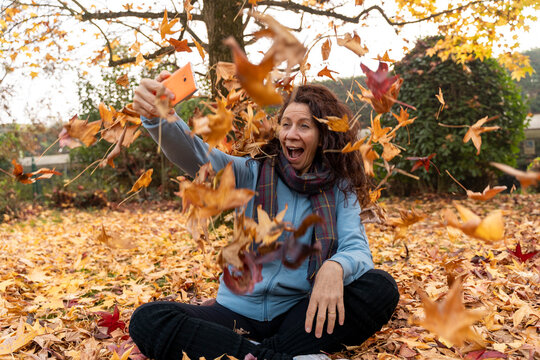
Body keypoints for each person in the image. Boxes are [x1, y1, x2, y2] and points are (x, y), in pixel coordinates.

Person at [129, 71, 400, 360]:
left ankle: (253, 354)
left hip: (298, 315)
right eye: (285, 124)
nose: (290, 134)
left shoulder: (339, 188)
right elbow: (196, 156)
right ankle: (278, 355)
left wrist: (334, 267)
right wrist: (159, 119)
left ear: (323, 136)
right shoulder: (251, 172)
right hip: (235, 316)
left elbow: (357, 249)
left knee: (381, 287)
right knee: (149, 319)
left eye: (304, 126)